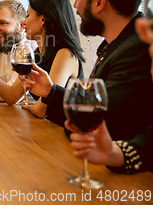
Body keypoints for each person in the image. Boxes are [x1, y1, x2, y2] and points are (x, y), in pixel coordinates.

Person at [24, 0, 153, 141]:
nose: (75, 5)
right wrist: (51, 92)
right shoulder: (115, 45)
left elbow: (98, 125)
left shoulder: (136, 51)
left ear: (99, 2)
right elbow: (93, 109)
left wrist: (54, 96)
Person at [65, 17, 153, 174]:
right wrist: (114, 154)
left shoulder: (132, 49)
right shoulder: (111, 47)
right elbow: (148, 143)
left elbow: (107, 117)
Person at [21, 0, 85, 126]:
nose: (23, 21)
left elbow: (41, 110)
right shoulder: (37, 53)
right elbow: (11, 95)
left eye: (27, 15)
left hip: (66, 134)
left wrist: (28, 106)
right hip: (50, 129)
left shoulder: (65, 54)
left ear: (43, 20)